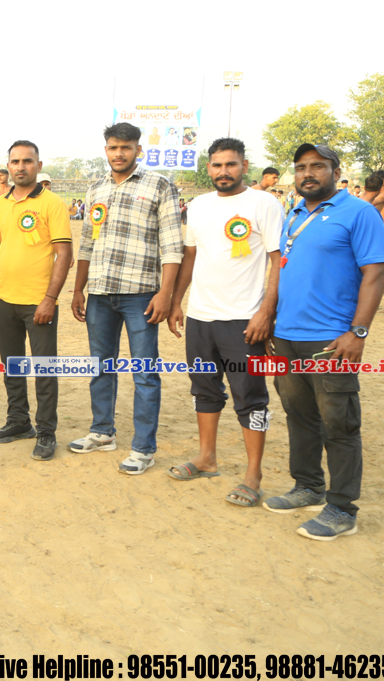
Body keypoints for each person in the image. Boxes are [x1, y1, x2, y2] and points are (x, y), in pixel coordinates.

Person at [263, 143, 384, 540]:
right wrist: (271, 321)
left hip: (331, 340)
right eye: (301, 167)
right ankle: (308, 486)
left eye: (317, 166)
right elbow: (283, 270)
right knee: (299, 416)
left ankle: (342, 509)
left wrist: (358, 332)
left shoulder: (359, 213)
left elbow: (375, 275)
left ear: (335, 170)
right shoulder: (294, 213)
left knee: (339, 423)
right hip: (287, 337)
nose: (308, 173)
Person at [166, 138, 283, 506]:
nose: (223, 172)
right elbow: (190, 257)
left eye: (231, 165)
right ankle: (206, 458)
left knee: (251, 396)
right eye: (217, 165)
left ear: (244, 166)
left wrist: (266, 312)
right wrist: (177, 302)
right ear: (209, 168)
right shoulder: (198, 206)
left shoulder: (265, 203)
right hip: (201, 317)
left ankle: (253, 474)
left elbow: (278, 261)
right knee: (204, 389)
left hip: (244, 320)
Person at [70, 122, 183, 474]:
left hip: (141, 294)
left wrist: (165, 294)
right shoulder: (96, 189)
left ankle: (143, 449)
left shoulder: (159, 185)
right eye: (113, 147)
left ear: (138, 149)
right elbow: (87, 242)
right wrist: (78, 288)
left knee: (145, 372)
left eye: (126, 147)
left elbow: (172, 244)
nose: (118, 153)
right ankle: (102, 432)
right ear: (106, 149)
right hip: (100, 292)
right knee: (100, 366)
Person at [0, 140, 72, 460]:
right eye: (15, 161)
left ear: (38, 166)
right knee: (12, 366)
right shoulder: (0, 204)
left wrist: (50, 298)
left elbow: (64, 254)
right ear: (8, 166)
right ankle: (19, 421)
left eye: (27, 161)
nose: (21, 167)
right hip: (5, 298)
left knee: (44, 369)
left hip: (39, 301)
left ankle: (46, 431)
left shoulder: (53, 203)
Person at [360, 171, 384, 313]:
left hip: (379, 233)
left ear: (382, 182)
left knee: (379, 269)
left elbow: (363, 203)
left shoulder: (383, 195)